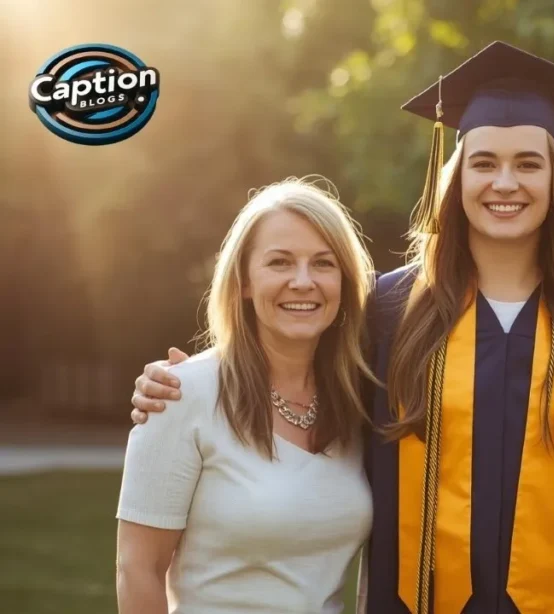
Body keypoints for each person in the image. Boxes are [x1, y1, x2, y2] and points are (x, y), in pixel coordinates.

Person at [126, 41, 554, 614]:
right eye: (483, 162)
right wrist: (183, 383)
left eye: (528, 162)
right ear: (454, 177)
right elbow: (291, 350)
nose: (505, 182)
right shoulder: (390, 309)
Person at [115, 177, 375, 614]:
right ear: (245, 282)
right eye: (279, 262)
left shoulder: (358, 402)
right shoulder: (181, 394)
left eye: (324, 263)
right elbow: (138, 568)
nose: (303, 281)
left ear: (345, 283)